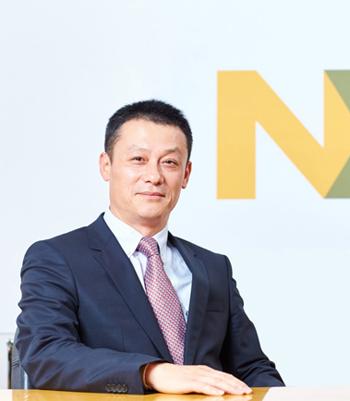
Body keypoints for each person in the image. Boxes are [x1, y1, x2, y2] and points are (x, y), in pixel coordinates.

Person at [15, 100, 284, 394]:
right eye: (138, 159)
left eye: (169, 162)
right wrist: (151, 372)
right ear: (106, 165)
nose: (154, 176)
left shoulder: (213, 267)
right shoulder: (58, 258)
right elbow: (46, 353)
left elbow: (252, 368)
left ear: (186, 174)